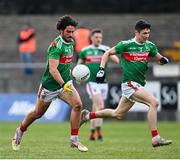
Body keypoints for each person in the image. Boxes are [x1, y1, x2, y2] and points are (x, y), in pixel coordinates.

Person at [80, 20, 172, 147]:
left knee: (117, 113)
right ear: (136, 32)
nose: (146, 36)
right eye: (144, 33)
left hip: (138, 84)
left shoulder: (149, 46)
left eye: (148, 33)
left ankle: (88, 115)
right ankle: (155, 138)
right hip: (130, 84)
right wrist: (101, 70)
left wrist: (163, 60)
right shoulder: (125, 45)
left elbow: (159, 58)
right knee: (154, 102)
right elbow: (107, 53)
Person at [12, 15, 88, 152]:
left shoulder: (71, 42)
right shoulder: (55, 46)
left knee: (78, 105)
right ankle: (20, 130)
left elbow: (65, 63)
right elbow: (53, 70)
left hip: (65, 83)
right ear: (61, 30)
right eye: (68, 32)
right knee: (37, 113)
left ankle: (74, 140)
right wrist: (63, 83)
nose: (71, 34)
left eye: (73, 31)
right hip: (50, 86)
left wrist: (70, 73)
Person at [77, 29, 119, 141]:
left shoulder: (105, 49)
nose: (98, 39)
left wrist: (108, 52)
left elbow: (116, 60)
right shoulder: (85, 50)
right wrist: (78, 77)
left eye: (100, 37)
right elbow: (79, 66)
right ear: (91, 38)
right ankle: (99, 132)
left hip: (103, 82)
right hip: (92, 82)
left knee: (96, 108)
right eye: (96, 37)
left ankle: (92, 132)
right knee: (100, 106)